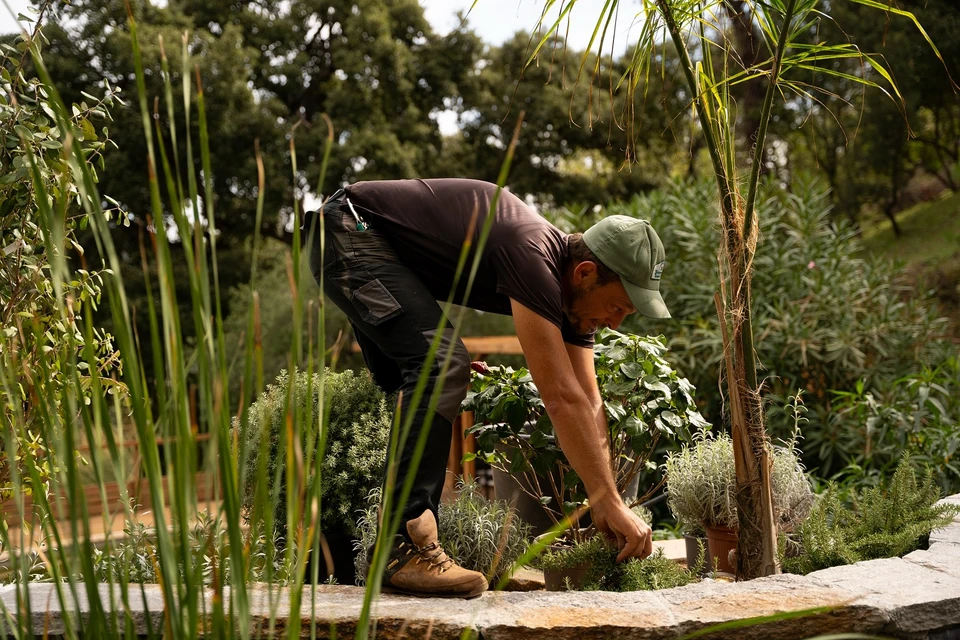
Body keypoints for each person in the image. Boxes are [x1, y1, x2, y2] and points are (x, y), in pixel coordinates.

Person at [306, 178, 670, 598]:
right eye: (617, 307)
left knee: (420, 379)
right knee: (439, 367)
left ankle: (370, 549)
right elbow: (560, 397)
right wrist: (605, 499)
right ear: (585, 273)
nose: (615, 323)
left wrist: (608, 498)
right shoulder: (532, 254)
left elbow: (587, 399)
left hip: (364, 238)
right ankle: (403, 549)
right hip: (349, 233)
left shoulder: (574, 297)